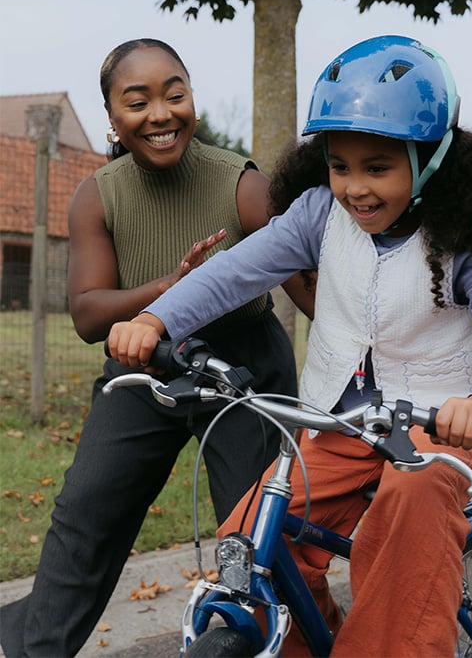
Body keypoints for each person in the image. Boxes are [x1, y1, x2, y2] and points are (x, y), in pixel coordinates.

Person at [106, 35, 472, 657]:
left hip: (439, 428)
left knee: (408, 515)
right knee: (251, 541)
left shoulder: (466, 240)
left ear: (432, 159)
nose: (355, 188)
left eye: (377, 168)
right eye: (340, 166)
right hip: (337, 421)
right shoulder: (317, 215)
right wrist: (156, 318)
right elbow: (235, 272)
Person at [0, 38, 314, 658]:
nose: (161, 114)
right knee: (86, 513)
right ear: (112, 118)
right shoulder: (98, 194)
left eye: (175, 94)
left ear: (192, 98)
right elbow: (88, 314)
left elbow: (312, 292)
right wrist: (169, 291)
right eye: (138, 101)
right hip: (145, 360)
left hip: (245, 367)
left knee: (255, 535)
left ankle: (290, 640)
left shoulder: (242, 183)